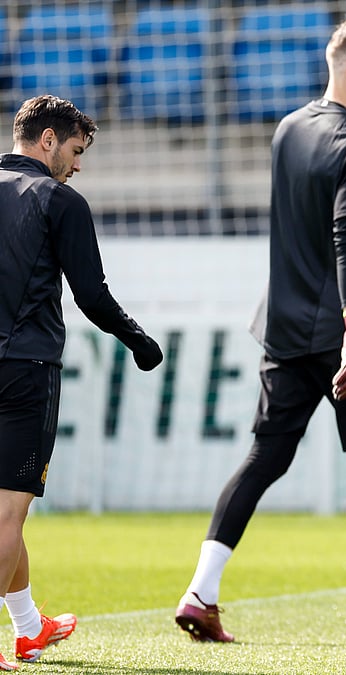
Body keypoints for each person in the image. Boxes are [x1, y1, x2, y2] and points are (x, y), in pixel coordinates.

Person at [173, 16, 346, 643]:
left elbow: (310, 231)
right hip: (342, 331)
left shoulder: (288, 129)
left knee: (264, 457)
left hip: (283, 325)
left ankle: (201, 591)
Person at [0, 94, 163, 667]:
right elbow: (91, 295)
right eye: (74, 149)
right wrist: (140, 342)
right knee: (7, 514)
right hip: (25, 371)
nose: (77, 163)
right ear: (48, 141)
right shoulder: (59, 200)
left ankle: (27, 627)